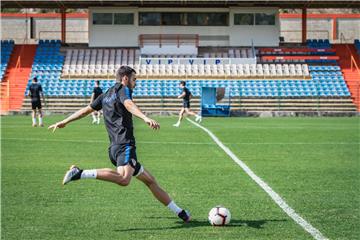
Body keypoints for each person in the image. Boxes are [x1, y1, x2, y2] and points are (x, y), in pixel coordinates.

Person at [48, 66, 191, 223]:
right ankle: (79, 173)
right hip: (125, 145)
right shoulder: (123, 90)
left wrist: (65, 121)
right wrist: (145, 117)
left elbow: (86, 110)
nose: (135, 83)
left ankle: (180, 212)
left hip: (115, 147)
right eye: (134, 79)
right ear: (125, 79)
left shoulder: (105, 94)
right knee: (124, 179)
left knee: (150, 181)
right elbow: (128, 104)